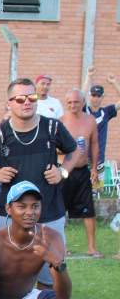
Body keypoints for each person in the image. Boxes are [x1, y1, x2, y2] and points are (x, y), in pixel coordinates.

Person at [0, 78, 83, 287]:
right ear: (9, 103)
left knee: (50, 271)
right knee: (7, 270)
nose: (27, 102)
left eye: (31, 97)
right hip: (9, 215)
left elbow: (74, 150)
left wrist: (63, 172)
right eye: (20, 98)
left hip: (50, 211)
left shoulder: (52, 127)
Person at [59, 89, 101, 257]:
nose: (72, 105)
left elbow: (95, 144)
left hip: (83, 170)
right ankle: (62, 246)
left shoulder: (90, 120)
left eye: (76, 102)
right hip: (65, 171)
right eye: (69, 102)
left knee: (89, 210)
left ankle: (92, 247)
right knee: (60, 211)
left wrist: (94, 168)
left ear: (83, 103)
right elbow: (54, 147)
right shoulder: (61, 122)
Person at [83, 67, 120, 170]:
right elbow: (80, 97)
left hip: (99, 161)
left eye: (98, 96)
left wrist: (114, 82)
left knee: (97, 186)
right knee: (82, 187)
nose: (95, 98)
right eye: (93, 95)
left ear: (103, 97)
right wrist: (88, 77)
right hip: (82, 160)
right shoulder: (83, 110)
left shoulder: (107, 111)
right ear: (90, 96)